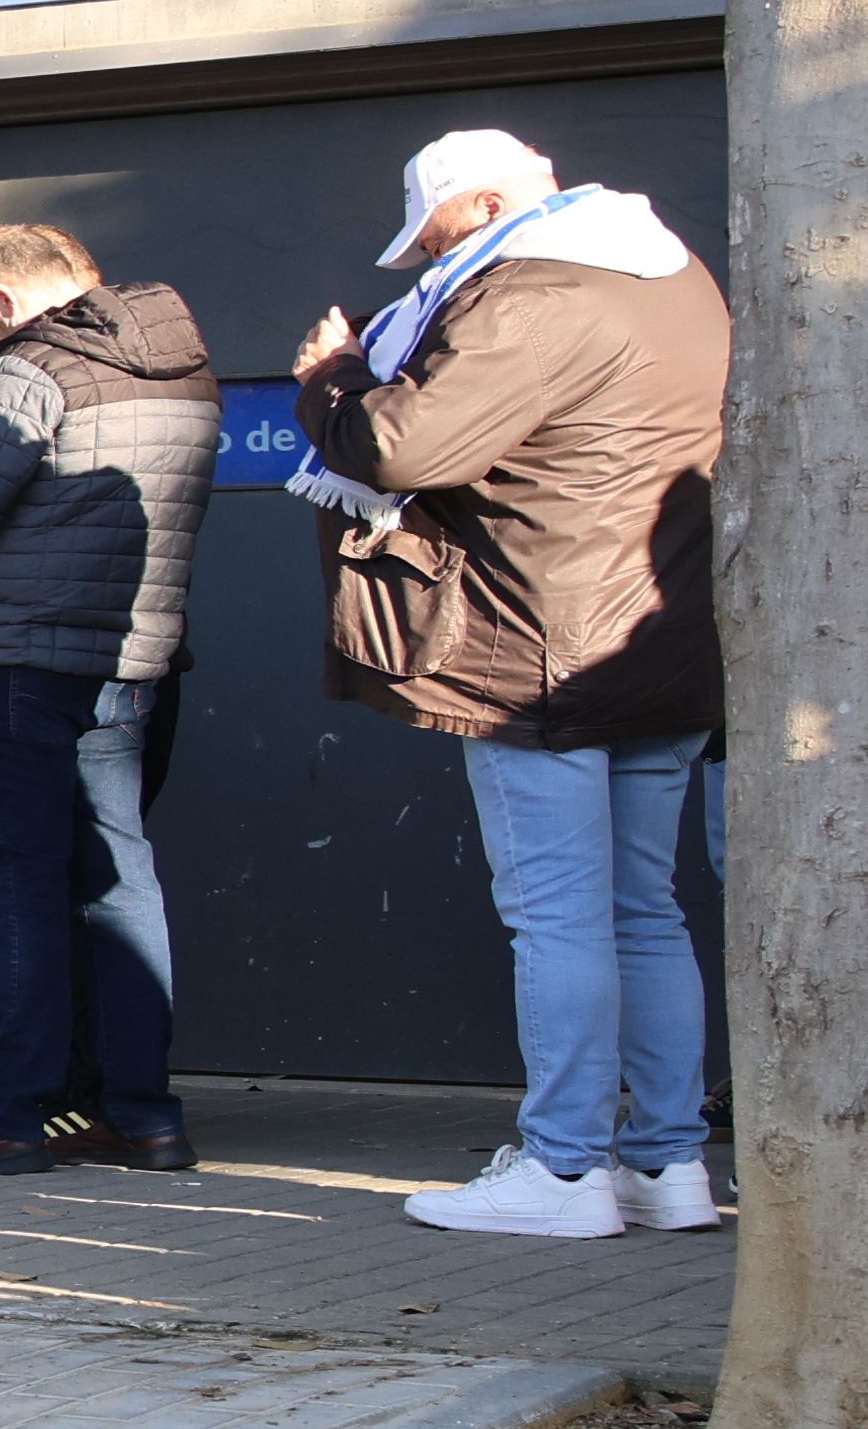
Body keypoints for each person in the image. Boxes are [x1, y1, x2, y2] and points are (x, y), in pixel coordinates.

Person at [290, 125, 731, 1237]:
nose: (428, 271)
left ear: (482, 207)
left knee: (557, 915)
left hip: (539, 646)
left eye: (432, 241)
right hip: (662, 642)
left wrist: (333, 375)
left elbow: (396, 447)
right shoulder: (672, 274)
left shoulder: (533, 290)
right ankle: (669, 1166)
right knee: (645, 910)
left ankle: (566, 1171)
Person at [0, 225, 217, 1175]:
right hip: (132, 661)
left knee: (22, 889)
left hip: (15, 661)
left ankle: (4, 1114)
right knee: (116, 885)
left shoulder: (31, 369)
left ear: (4, 299)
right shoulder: (182, 368)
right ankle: (139, 1112)